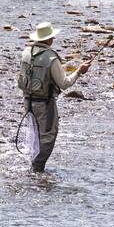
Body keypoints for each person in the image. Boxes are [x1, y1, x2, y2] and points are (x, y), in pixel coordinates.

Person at [17, 21, 91, 171]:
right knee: (48, 136)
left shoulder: (26, 52)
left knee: (34, 134)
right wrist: (79, 71)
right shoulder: (51, 57)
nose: (53, 39)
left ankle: (32, 167)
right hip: (45, 104)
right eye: (52, 37)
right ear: (49, 39)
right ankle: (37, 168)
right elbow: (64, 83)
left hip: (27, 101)